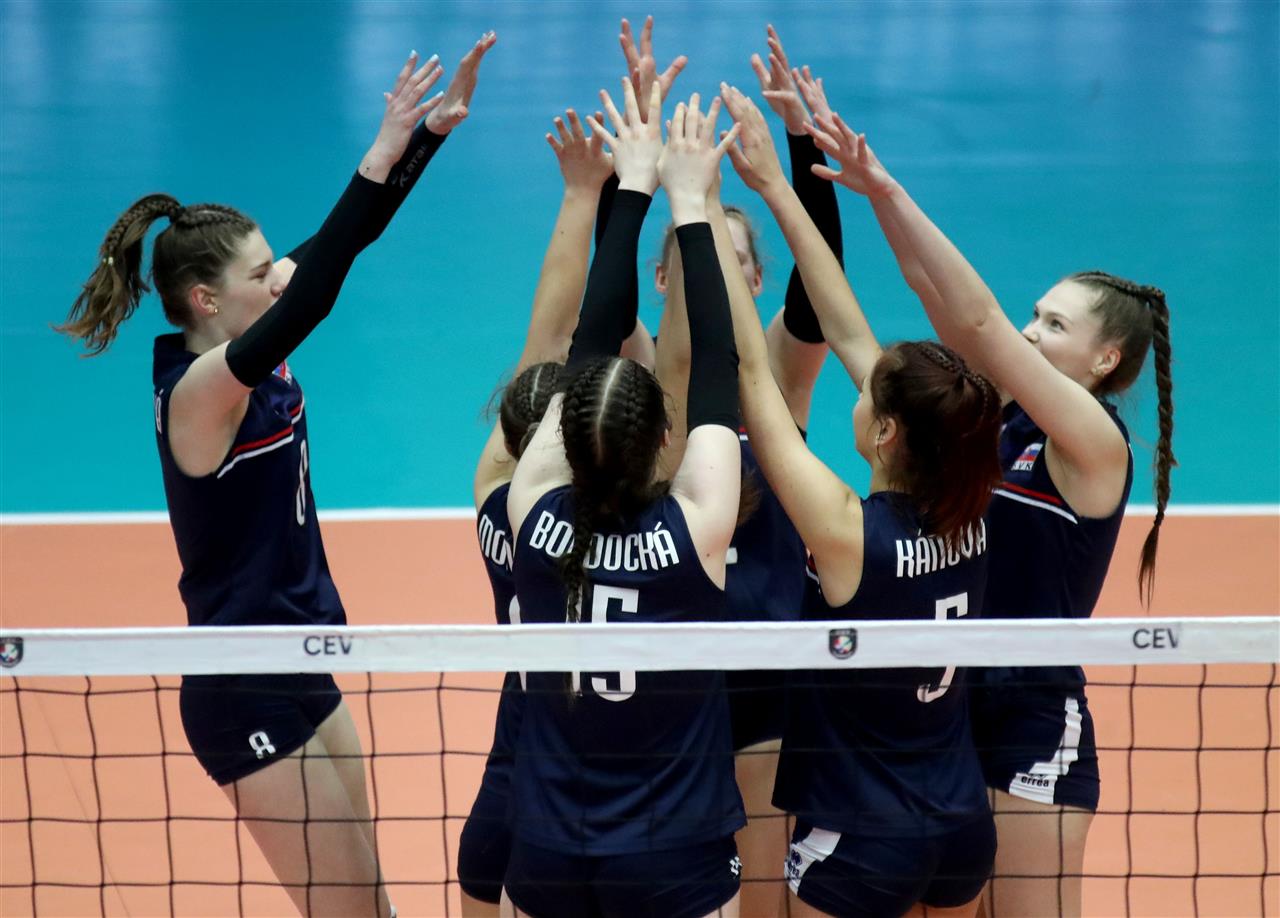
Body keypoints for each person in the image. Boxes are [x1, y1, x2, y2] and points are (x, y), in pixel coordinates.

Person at [57, 36, 495, 917]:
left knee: (371, 907)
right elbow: (316, 295)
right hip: (239, 683)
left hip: (303, 659)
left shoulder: (246, 327)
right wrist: (373, 158)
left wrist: (427, 137)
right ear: (207, 301)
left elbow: (346, 240)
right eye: (261, 275)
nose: (278, 281)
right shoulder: (199, 394)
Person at [801, 105, 1175, 916]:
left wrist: (888, 190)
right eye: (1034, 317)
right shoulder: (993, 415)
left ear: (1106, 359)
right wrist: (860, 194)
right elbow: (934, 294)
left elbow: (979, 321)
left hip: (1033, 716)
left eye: (1054, 324)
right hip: (949, 708)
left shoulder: (1094, 447)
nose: (1030, 333)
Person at [720, 86, 1004, 918]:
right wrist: (775, 185)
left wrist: (702, 213)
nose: (857, 382)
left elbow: (752, 375)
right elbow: (844, 326)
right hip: (960, 823)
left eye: (868, 395)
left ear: (884, 433)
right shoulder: (970, 502)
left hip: (861, 836)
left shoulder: (850, 533)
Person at [503, 81, 746, 917]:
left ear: (563, 440)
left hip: (547, 844)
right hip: (674, 851)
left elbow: (588, 342)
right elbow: (719, 361)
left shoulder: (532, 514)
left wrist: (633, 186)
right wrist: (690, 203)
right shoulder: (696, 528)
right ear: (664, 440)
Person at [642, 27, 844, 912]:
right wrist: (641, 172)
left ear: (756, 280)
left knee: (760, 899)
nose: (710, 270)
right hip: (663, 683)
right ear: (661, 280)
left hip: (765, 680)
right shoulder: (641, 380)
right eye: (694, 254)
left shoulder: (777, 383)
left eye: (731, 258)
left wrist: (800, 147)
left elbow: (818, 294)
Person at [458, 106, 654, 916]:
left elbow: (548, 343)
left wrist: (579, 195)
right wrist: (630, 193)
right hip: (629, 776)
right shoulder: (652, 524)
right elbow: (611, 354)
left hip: (520, 754)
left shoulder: (502, 506)